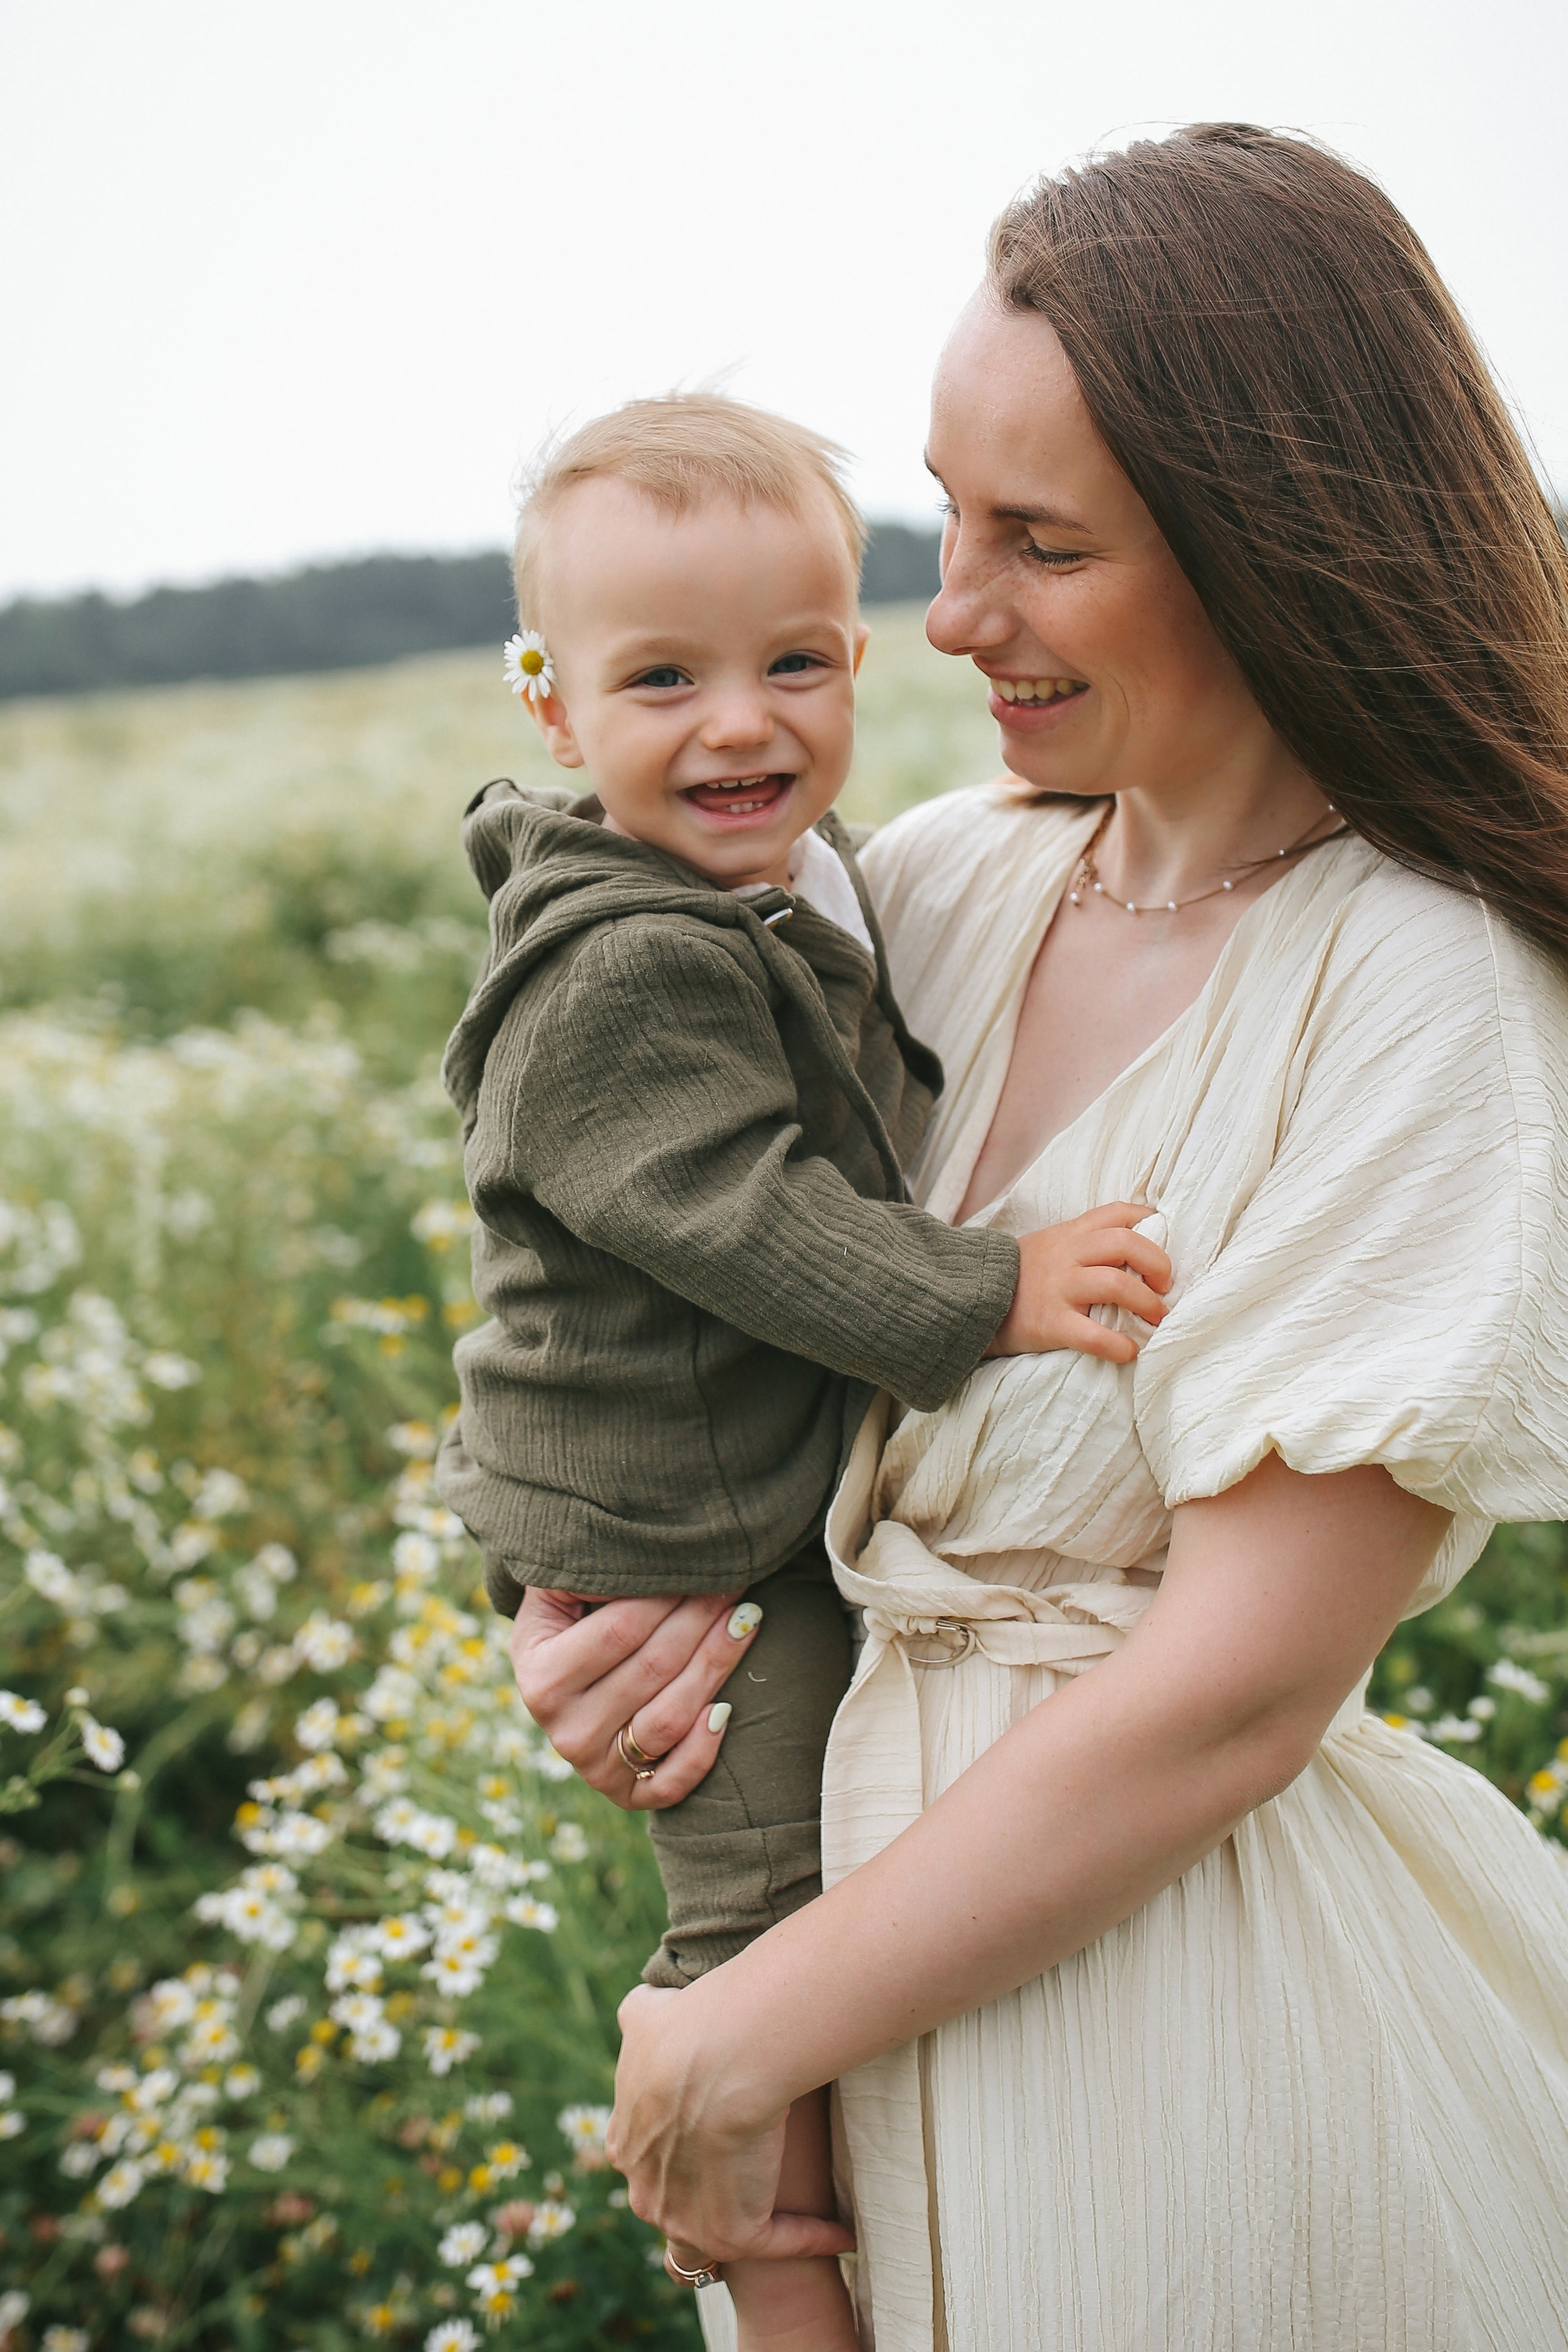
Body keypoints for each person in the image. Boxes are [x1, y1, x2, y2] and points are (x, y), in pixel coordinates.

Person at [513, 127, 1568, 2350]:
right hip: (835, 1985)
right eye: (946, 517)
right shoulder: (931, 887)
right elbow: (647, 1290)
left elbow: (1236, 1690)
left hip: (1170, 2026)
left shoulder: (1426, 981)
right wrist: (589, 1616)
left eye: (1041, 542)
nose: (954, 613)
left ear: (1265, 551)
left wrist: (733, 2034)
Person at [434, 393, 1172, 2350]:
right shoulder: (625, 959)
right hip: (679, 1534)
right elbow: (736, 1214)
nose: (738, 723)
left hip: (710, 1470)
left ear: (853, 664)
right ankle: (773, 2268)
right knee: (764, 1880)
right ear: (552, 707)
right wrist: (982, 1295)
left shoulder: (801, 874)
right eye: (660, 677)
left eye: (790, 664)